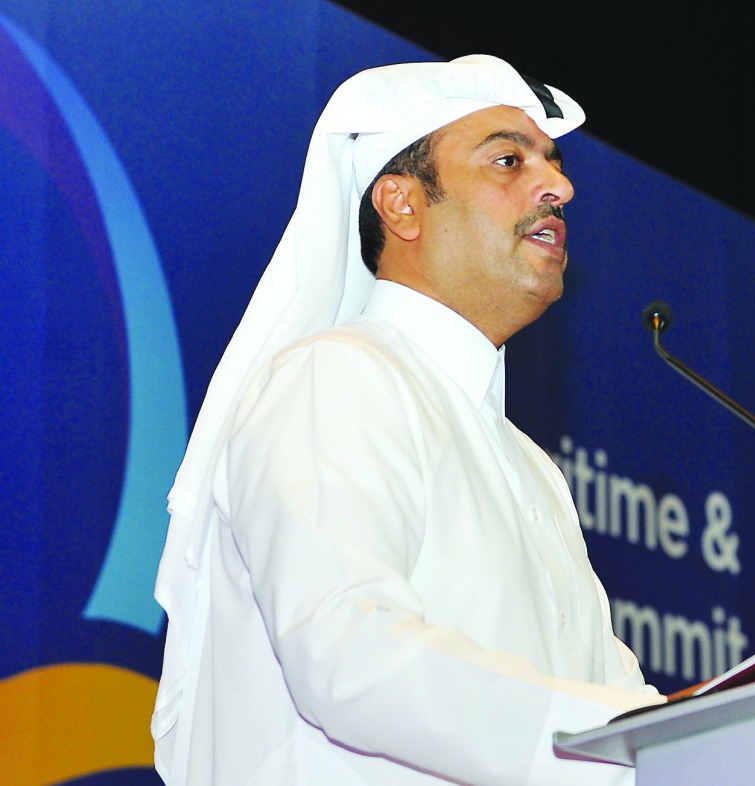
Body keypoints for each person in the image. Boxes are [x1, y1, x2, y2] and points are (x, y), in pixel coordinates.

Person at [150, 54, 665, 785]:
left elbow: (621, 702)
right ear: (402, 205)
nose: (560, 186)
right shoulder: (333, 378)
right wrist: (618, 747)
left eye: (551, 163)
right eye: (509, 161)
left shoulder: (532, 471)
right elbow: (351, 656)